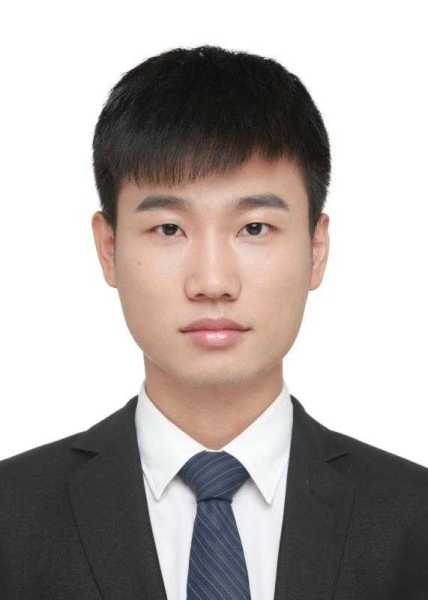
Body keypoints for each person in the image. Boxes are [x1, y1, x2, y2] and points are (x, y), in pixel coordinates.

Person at [0, 44, 427, 600]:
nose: (212, 281)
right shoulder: (12, 515)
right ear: (109, 248)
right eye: (169, 229)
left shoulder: (413, 517)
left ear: (316, 249)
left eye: (254, 228)